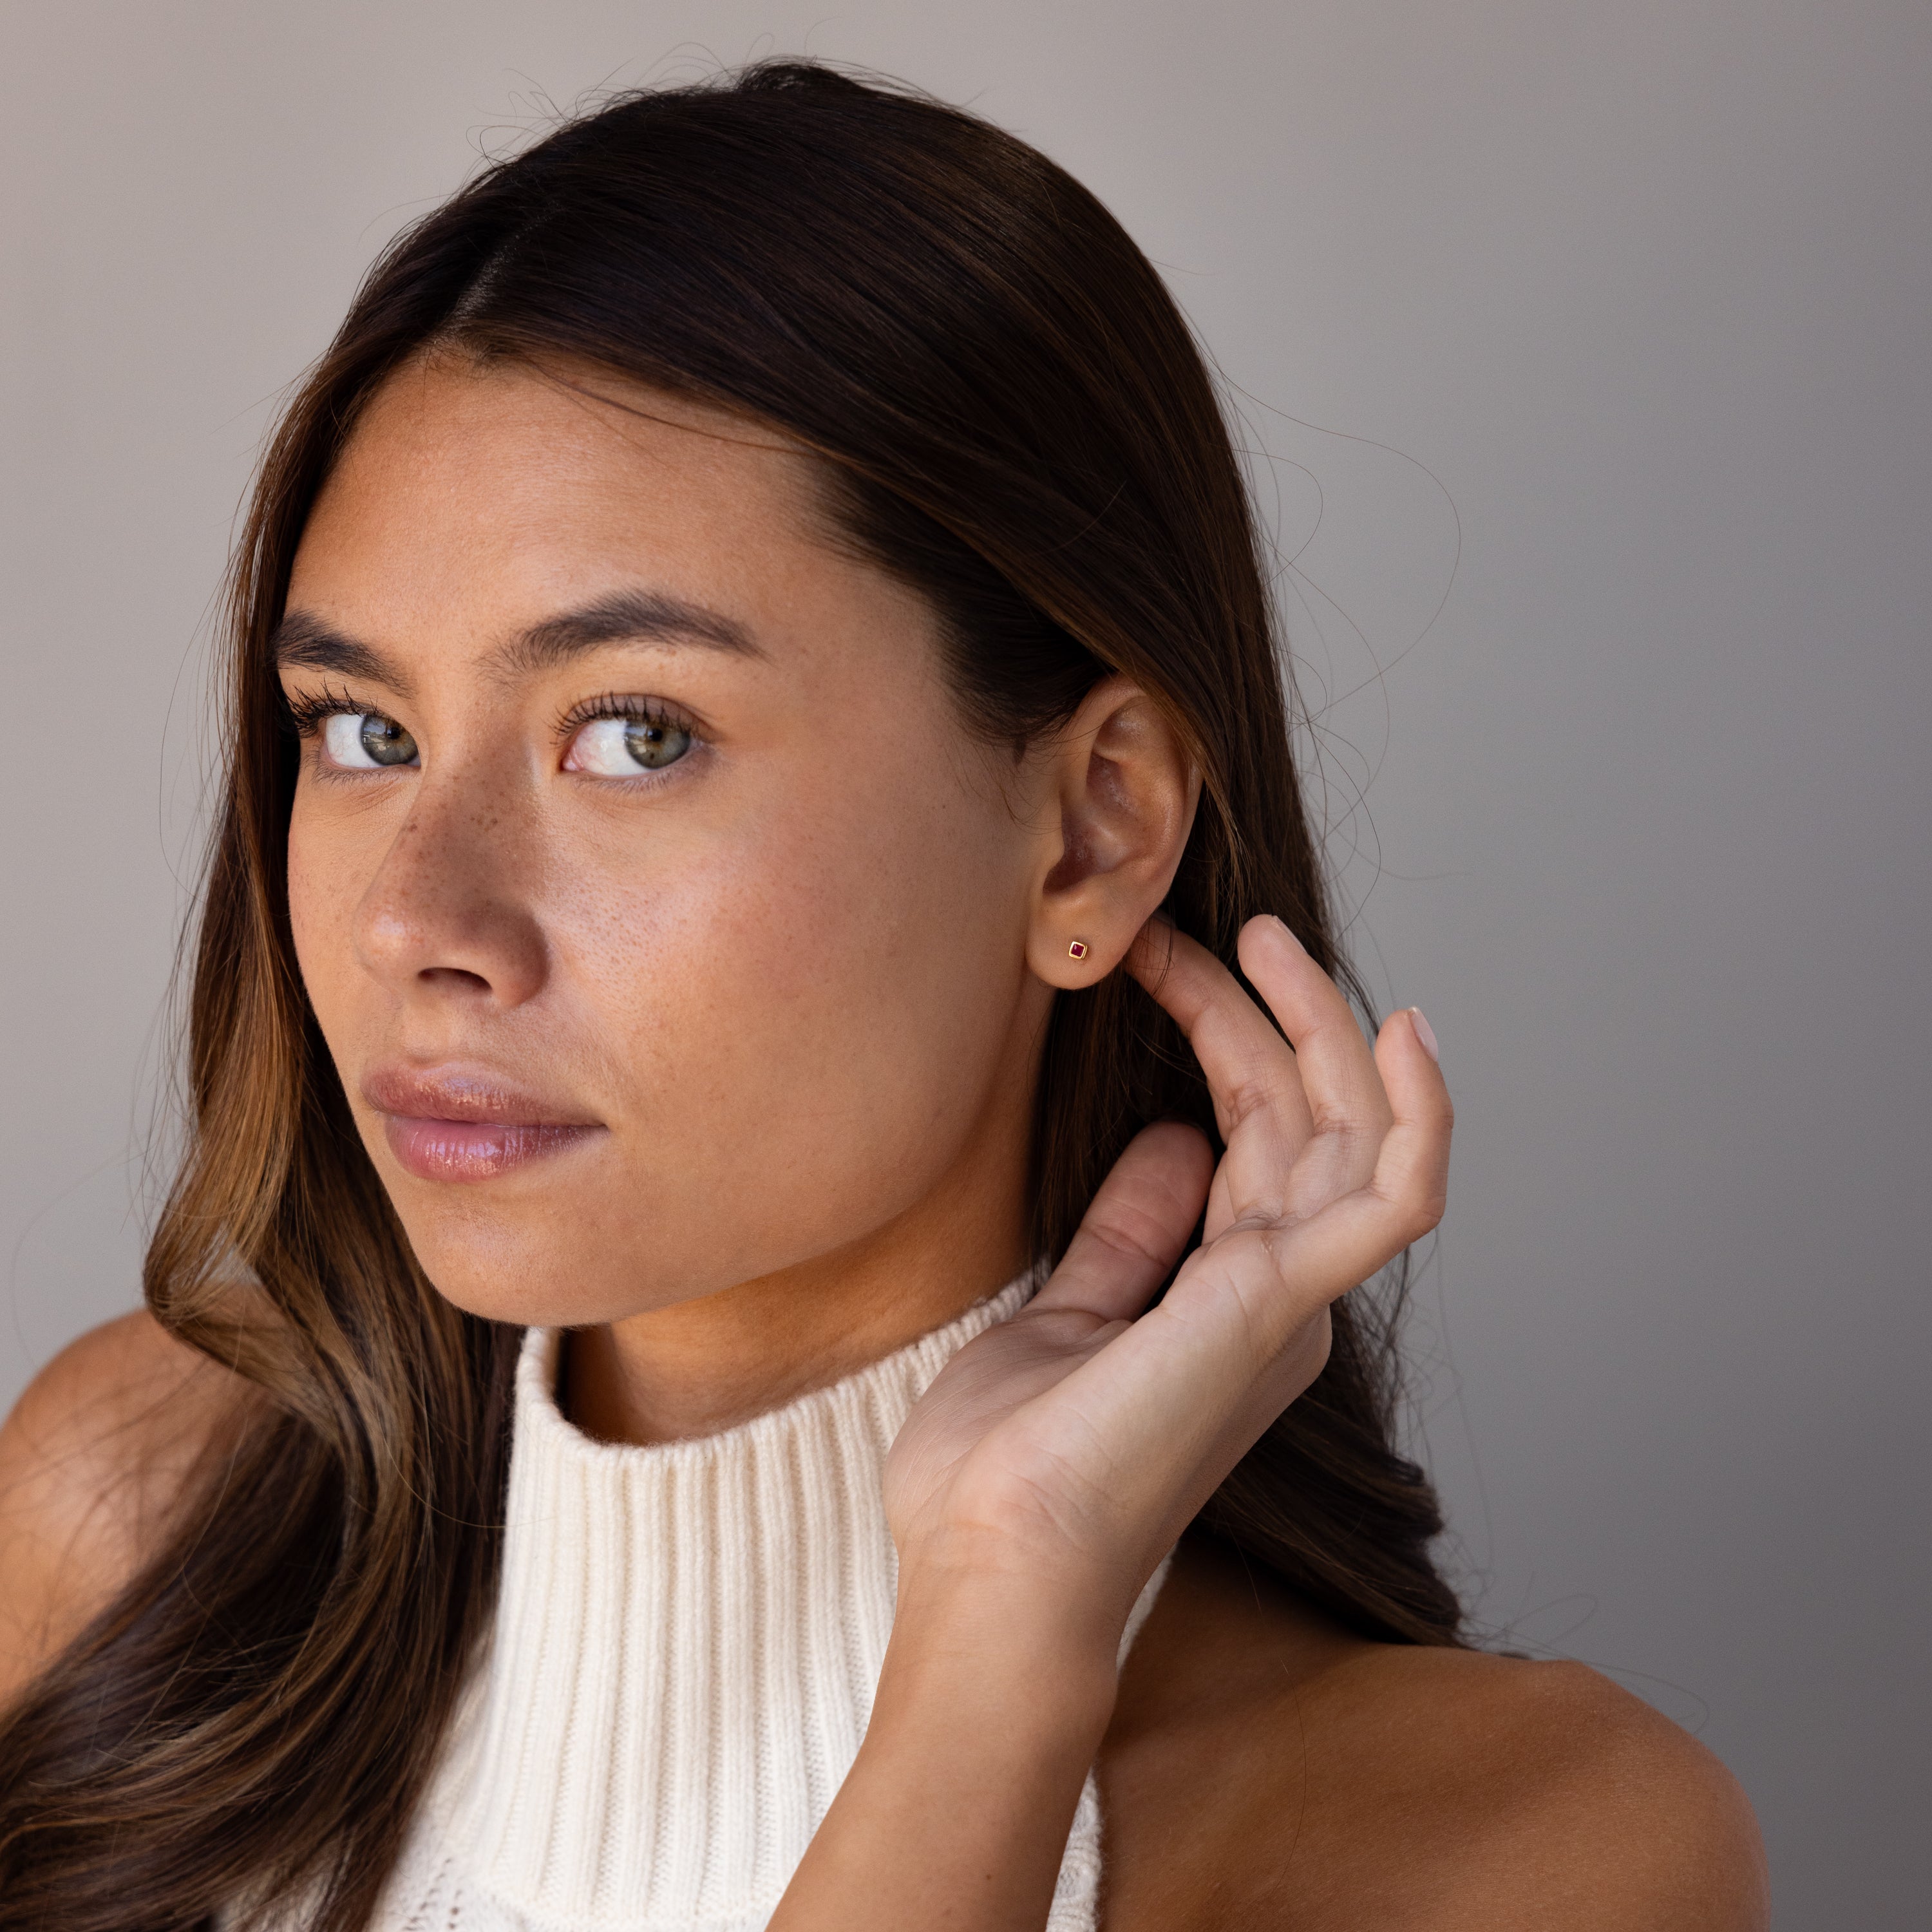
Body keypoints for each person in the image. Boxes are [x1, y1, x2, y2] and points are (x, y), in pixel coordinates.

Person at [0, 60, 1766, 1932]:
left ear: (1092, 832)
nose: (418, 923)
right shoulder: (136, 1532)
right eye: (362, 730)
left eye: (638, 733)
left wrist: (1003, 1632)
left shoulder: (1497, 1850)